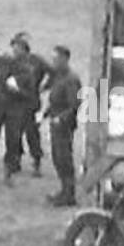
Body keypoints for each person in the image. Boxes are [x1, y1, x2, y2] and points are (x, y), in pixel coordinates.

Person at [0, 33, 49, 185]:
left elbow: (30, 94)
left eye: (19, 48)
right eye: (14, 47)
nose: (15, 50)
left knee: (12, 141)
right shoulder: (3, 61)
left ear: (25, 51)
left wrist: (17, 91)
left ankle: (9, 172)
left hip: (15, 108)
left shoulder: (27, 71)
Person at [41, 46, 82, 206]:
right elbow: (55, 99)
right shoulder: (58, 77)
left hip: (64, 125)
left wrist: (61, 119)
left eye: (56, 59)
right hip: (55, 121)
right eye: (53, 59)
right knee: (57, 158)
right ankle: (63, 190)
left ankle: (69, 194)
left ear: (65, 59)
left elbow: (74, 105)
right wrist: (45, 114)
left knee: (64, 158)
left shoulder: (71, 79)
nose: (54, 62)